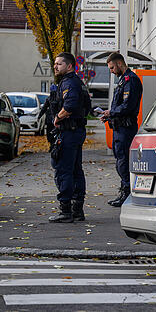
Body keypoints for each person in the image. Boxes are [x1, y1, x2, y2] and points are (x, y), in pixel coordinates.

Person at [49, 52, 91, 223]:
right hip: (75, 131)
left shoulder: (69, 83)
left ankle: (65, 210)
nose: (55, 66)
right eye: (55, 64)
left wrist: (57, 118)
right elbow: (86, 106)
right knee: (75, 170)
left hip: (69, 132)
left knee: (64, 170)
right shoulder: (76, 82)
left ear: (69, 66)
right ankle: (77, 210)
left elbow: (70, 105)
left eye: (59, 64)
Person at [101, 52, 142, 207]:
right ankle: (125, 192)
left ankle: (127, 194)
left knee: (124, 162)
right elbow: (120, 107)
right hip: (119, 127)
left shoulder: (131, 81)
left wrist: (112, 112)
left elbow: (128, 106)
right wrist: (109, 116)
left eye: (112, 67)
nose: (111, 71)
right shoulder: (122, 81)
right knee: (120, 161)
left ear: (119, 63)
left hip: (126, 128)